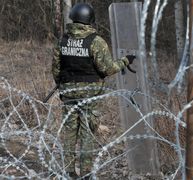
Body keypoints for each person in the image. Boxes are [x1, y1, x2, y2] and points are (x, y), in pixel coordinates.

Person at [52, 3, 135, 179]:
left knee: (69, 133)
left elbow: (56, 69)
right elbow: (107, 69)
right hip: (90, 95)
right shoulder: (96, 41)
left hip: (68, 94)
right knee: (87, 135)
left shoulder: (63, 40)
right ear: (90, 19)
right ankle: (86, 174)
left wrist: (63, 86)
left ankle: (68, 172)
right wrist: (125, 61)